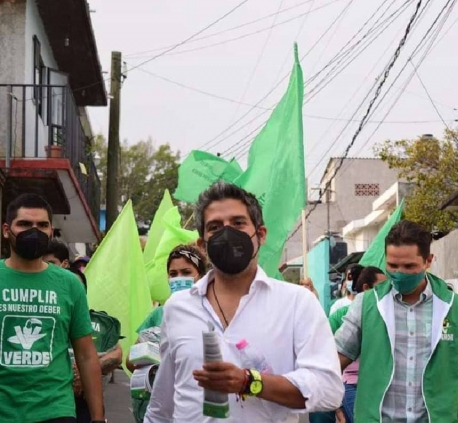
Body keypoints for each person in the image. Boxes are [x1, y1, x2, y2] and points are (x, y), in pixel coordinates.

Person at [144, 181, 343, 422]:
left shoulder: (297, 303)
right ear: (202, 246)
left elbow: (329, 390)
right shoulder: (178, 308)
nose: (227, 235)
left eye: (238, 223)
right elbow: (163, 401)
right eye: (215, 227)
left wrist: (251, 382)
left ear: (260, 235)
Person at [335, 220, 458, 422]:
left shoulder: (455, 307)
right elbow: (336, 359)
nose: (399, 273)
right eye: (392, 265)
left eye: (409, 266)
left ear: (428, 261)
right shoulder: (366, 304)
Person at [0, 193, 105, 422]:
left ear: (51, 231)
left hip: (56, 410)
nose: (34, 231)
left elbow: (86, 355)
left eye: (42, 225)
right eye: (25, 224)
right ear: (6, 230)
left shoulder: (69, 284)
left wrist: (98, 418)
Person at [126, 244, 208, 423]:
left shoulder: (213, 314)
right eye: (173, 274)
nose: (179, 278)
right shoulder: (159, 314)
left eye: (186, 272)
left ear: (201, 276)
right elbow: (130, 361)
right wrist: (155, 361)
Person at [330, 266, 386, 423]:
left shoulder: (389, 314)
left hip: (378, 387)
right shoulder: (340, 314)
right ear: (366, 288)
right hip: (353, 384)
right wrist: (337, 405)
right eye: (382, 288)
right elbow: (333, 360)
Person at [67, 266, 123, 423]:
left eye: (76, 287)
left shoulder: (97, 323)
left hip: (86, 404)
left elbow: (118, 355)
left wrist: (86, 372)